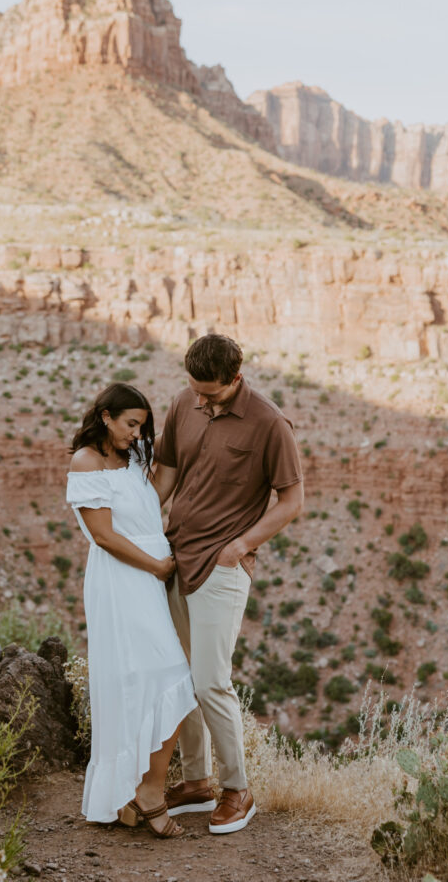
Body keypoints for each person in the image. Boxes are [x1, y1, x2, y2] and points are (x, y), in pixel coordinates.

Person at [155, 334, 304, 835]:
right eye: (195, 391)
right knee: (181, 676)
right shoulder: (183, 402)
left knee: (210, 681)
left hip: (221, 567)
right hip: (174, 559)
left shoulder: (269, 422)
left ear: (236, 378)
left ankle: (238, 789)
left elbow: (291, 502)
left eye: (211, 395)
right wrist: (136, 529)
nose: (200, 401)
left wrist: (239, 547)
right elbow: (166, 475)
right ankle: (196, 782)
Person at [66, 382, 197, 839]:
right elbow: (103, 534)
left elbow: (158, 492)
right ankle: (146, 793)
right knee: (163, 676)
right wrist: (158, 566)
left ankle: (133, 793)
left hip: (148, 574)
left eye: (142, 426)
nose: (137, 434)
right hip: (123, 578)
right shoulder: (85, 462)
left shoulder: (136, 456)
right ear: (105, 416)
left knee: (156, 678)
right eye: (130, 424)